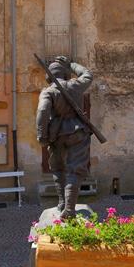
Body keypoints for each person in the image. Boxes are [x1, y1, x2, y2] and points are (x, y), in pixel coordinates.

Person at [36, 57, 93, 219]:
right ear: (66, 74)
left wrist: (42, 135)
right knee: (75, 170)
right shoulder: (76, 85)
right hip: (77, 132)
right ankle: (69, 208)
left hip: (57, 135)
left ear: (49, 77)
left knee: (58, 168)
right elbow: (88, 74)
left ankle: (62, 202)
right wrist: (71, 64)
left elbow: (42, 112)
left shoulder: (48, 91)